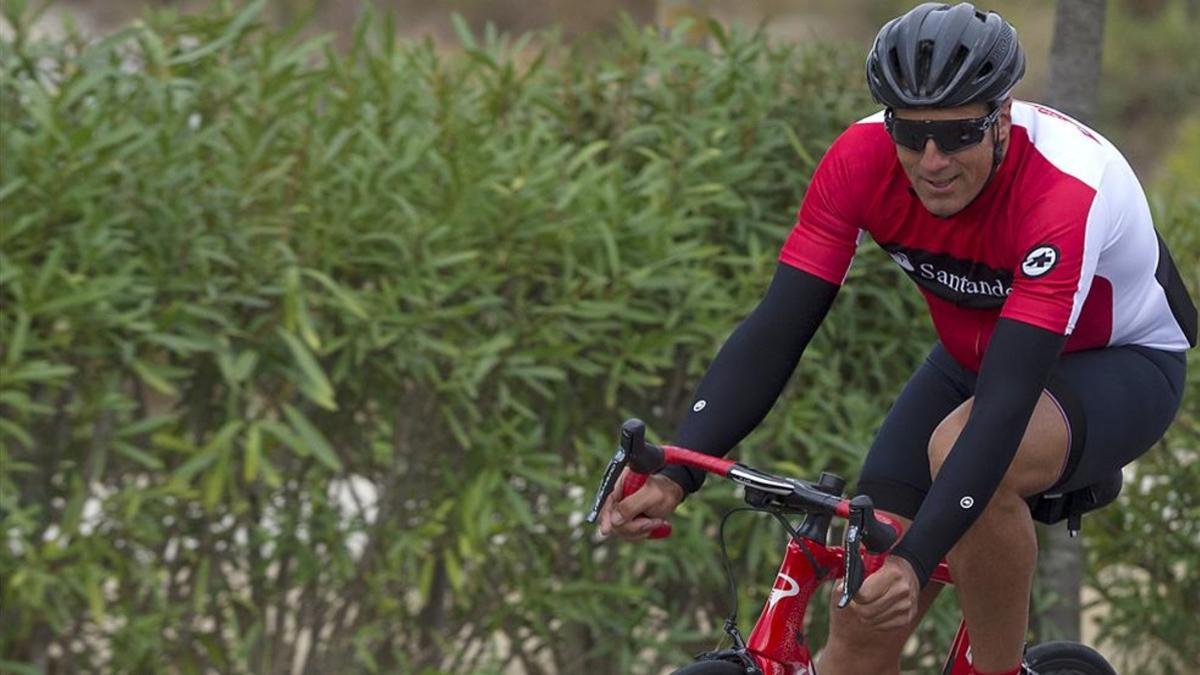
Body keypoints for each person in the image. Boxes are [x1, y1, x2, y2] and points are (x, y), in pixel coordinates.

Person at [597, 3, 1197, 674]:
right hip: (973, 359)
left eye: (958, 133)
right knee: (861, 611)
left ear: (1001, 118)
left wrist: (915, 561)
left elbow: (1004, 405)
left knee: (958, 459)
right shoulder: (860, 160)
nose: (932, 160)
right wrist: (679, 468)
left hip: (1116, 363)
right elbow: (777, 329)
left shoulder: (1066, 186)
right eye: (910, 135)